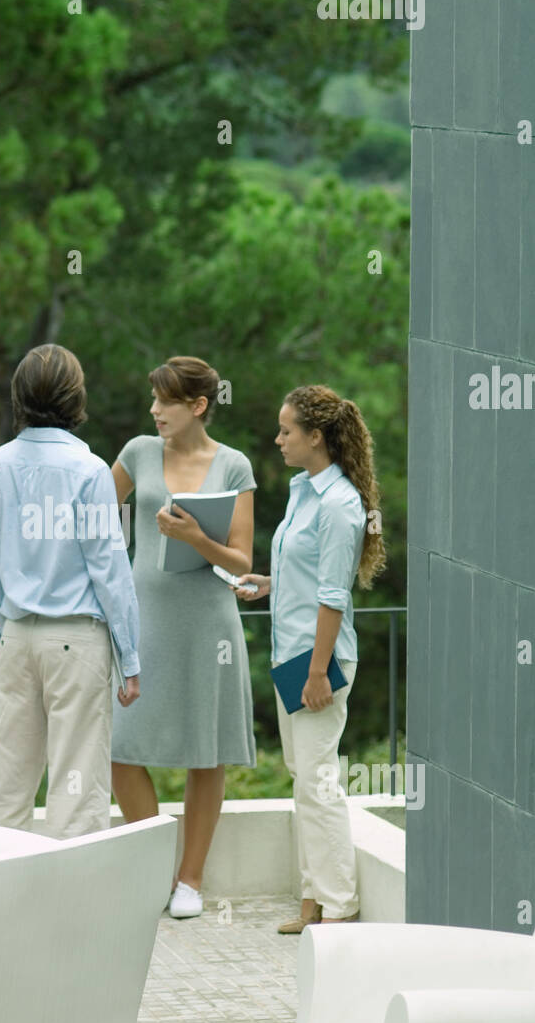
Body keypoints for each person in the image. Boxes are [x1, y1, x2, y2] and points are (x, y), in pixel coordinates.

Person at [110, 356, 258, 919]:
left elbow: (242, 560)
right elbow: (93, 513)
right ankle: (155, 870)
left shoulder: (235, 465)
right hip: (143, 619)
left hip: (208, 624)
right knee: (120, 748)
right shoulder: (137, 453)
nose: (154, 411)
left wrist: (195, 537)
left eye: (164, 402)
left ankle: (189, 881)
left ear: (197, 406)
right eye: (152, 399)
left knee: (206, 753)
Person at [0, 343, 141, 838]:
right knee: (76, 789)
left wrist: (9, 628)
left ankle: (1, 908)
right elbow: (109, 569)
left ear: (19, 395)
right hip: (76, 641)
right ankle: (73, 913)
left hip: (19, 637)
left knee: (8, 787)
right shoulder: (90, 470)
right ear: (75, 397)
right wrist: (129, 658)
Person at [236, 385, 385, 933]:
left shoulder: (342, 504)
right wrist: (269, 585)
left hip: (318, 665)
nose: (278, 440)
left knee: (318, 782)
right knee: (304, 778)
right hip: (291, 657)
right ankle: (311, 900)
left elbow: (333, 596)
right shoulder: (304, 491)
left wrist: (319, 672)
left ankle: (338, 905)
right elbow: (308, 575)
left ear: (315, 437)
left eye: (286, 431)